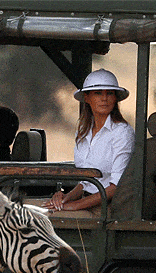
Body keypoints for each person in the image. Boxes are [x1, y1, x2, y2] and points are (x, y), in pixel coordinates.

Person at [42, 69, 134, 214]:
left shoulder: (122, 132)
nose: (104, 98)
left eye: (109, 93)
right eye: (98, 93)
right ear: (87, 97)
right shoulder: (83, 132)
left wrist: (76, 205)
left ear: (116, 98)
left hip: (107, 208)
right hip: (86, 202)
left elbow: (116, 186)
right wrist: (65, 198)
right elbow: (85, 184)